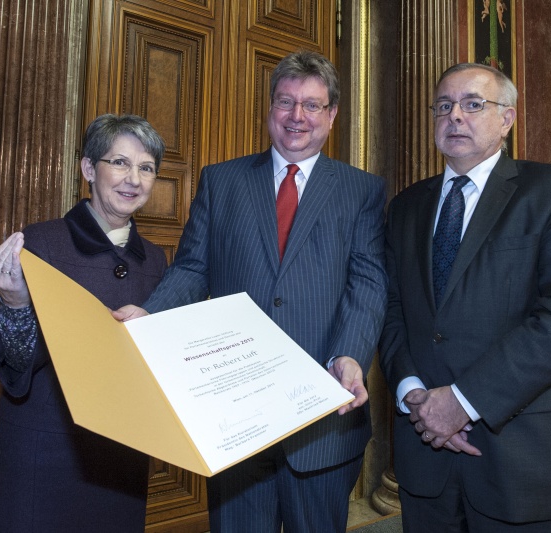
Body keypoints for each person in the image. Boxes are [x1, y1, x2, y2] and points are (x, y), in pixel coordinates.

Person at [113, 51, 387, 532]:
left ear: (332, 115)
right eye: (286, 101)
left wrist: (350, 354)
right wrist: (150, 319)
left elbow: (367, 282)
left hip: (321, 413)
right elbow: (193, 268)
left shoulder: (361, 191)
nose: (296, 116)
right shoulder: (222, 181)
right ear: (270, 108)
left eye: (312, 105)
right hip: (234, 419)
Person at [378, 63, 551, 531]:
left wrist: (463, 400)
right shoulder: (405, 206)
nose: (455, 116)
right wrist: (412, 392)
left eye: (473, 104)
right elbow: (392, 310)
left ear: (507, 119)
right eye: (444, 106)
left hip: (527, 459)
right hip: (427, 460)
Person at [0, 114, 167, 532]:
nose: (133, 179)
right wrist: (15, 306)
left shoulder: (157, 260)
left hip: (123, 457)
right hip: (44, 454)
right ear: (88, 169)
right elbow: (14, 366)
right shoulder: (41, 242)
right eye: (119, 162)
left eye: (146, 167)